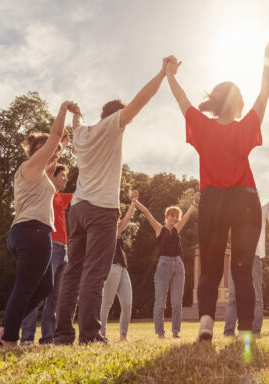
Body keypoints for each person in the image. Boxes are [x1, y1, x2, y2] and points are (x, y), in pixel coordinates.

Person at [164, 32, 269, 341]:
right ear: (239, 103)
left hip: (213, 199)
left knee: (211, 268)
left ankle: (206, 322)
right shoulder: (245, 127)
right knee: (242, 270)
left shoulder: (202, 127)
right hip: (244, 199)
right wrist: (268, 54)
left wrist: (169, 75)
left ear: (215, 104)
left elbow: (181, 100)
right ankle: (245, 333)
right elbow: (266, 90)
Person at [54, 58, 173, 345]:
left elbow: (78, 121)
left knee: (73, 273)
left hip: (78, 210)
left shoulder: (82, 134)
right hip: (101, 210)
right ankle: (91, 335)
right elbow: (140, 100)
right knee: (95, 272)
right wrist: (162, 73)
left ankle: (62, 334)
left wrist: (76, 112)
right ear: (118, 116)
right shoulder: (113, 126)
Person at [0, 101, 73, 348]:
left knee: (45, 286)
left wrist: (62, 143)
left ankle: (5, 331)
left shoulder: (40, 173)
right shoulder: (31, 166)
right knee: (24, 288)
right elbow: (55, 137)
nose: (53, 152)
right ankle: (10, 339)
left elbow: (57, 146)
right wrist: (64, 108)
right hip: (32, 232)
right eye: (46, 148)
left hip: (27, 233)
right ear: (37, 150)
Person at [224, 167, 269, 336]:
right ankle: (228, 331)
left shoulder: (261, 211)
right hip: (237, 258)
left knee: (256, 297)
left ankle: (255, 330)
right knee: (233, 297)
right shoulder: (234, 216)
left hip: (254, 258)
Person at [133, 193, 199, 338]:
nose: (174, 219)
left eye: (176, 217)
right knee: (160, 303)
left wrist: (194, 203)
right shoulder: (159, 229)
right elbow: (147, 213)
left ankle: (175, 333)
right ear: (166, 216)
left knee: (177, 303)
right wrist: (135, 201)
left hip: (178, 266)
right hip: (164, 266)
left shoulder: (177, 229)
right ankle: (160, 333)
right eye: (172, 216)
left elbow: (187, 216)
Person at [20, 164, 73, 345]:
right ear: (53, 175)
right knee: (38, 293)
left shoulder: (62, 197)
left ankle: (48, 338)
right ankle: (27, 338)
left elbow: (82, 194)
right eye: (63, 175)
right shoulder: (46, 194)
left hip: (63, 250)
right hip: (48, 247)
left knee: (54, 297)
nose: (66, 179)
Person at [100, 190, 139, 341]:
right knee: (107, 303)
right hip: (111, 267)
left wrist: (134, 201)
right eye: (115, 216)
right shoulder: (105, 232)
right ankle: (101, 334)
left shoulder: (117, 230)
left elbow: (128, 217)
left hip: (123, 269)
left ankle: (123, 335)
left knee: (127, 303)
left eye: (118, 216)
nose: (118, 218)